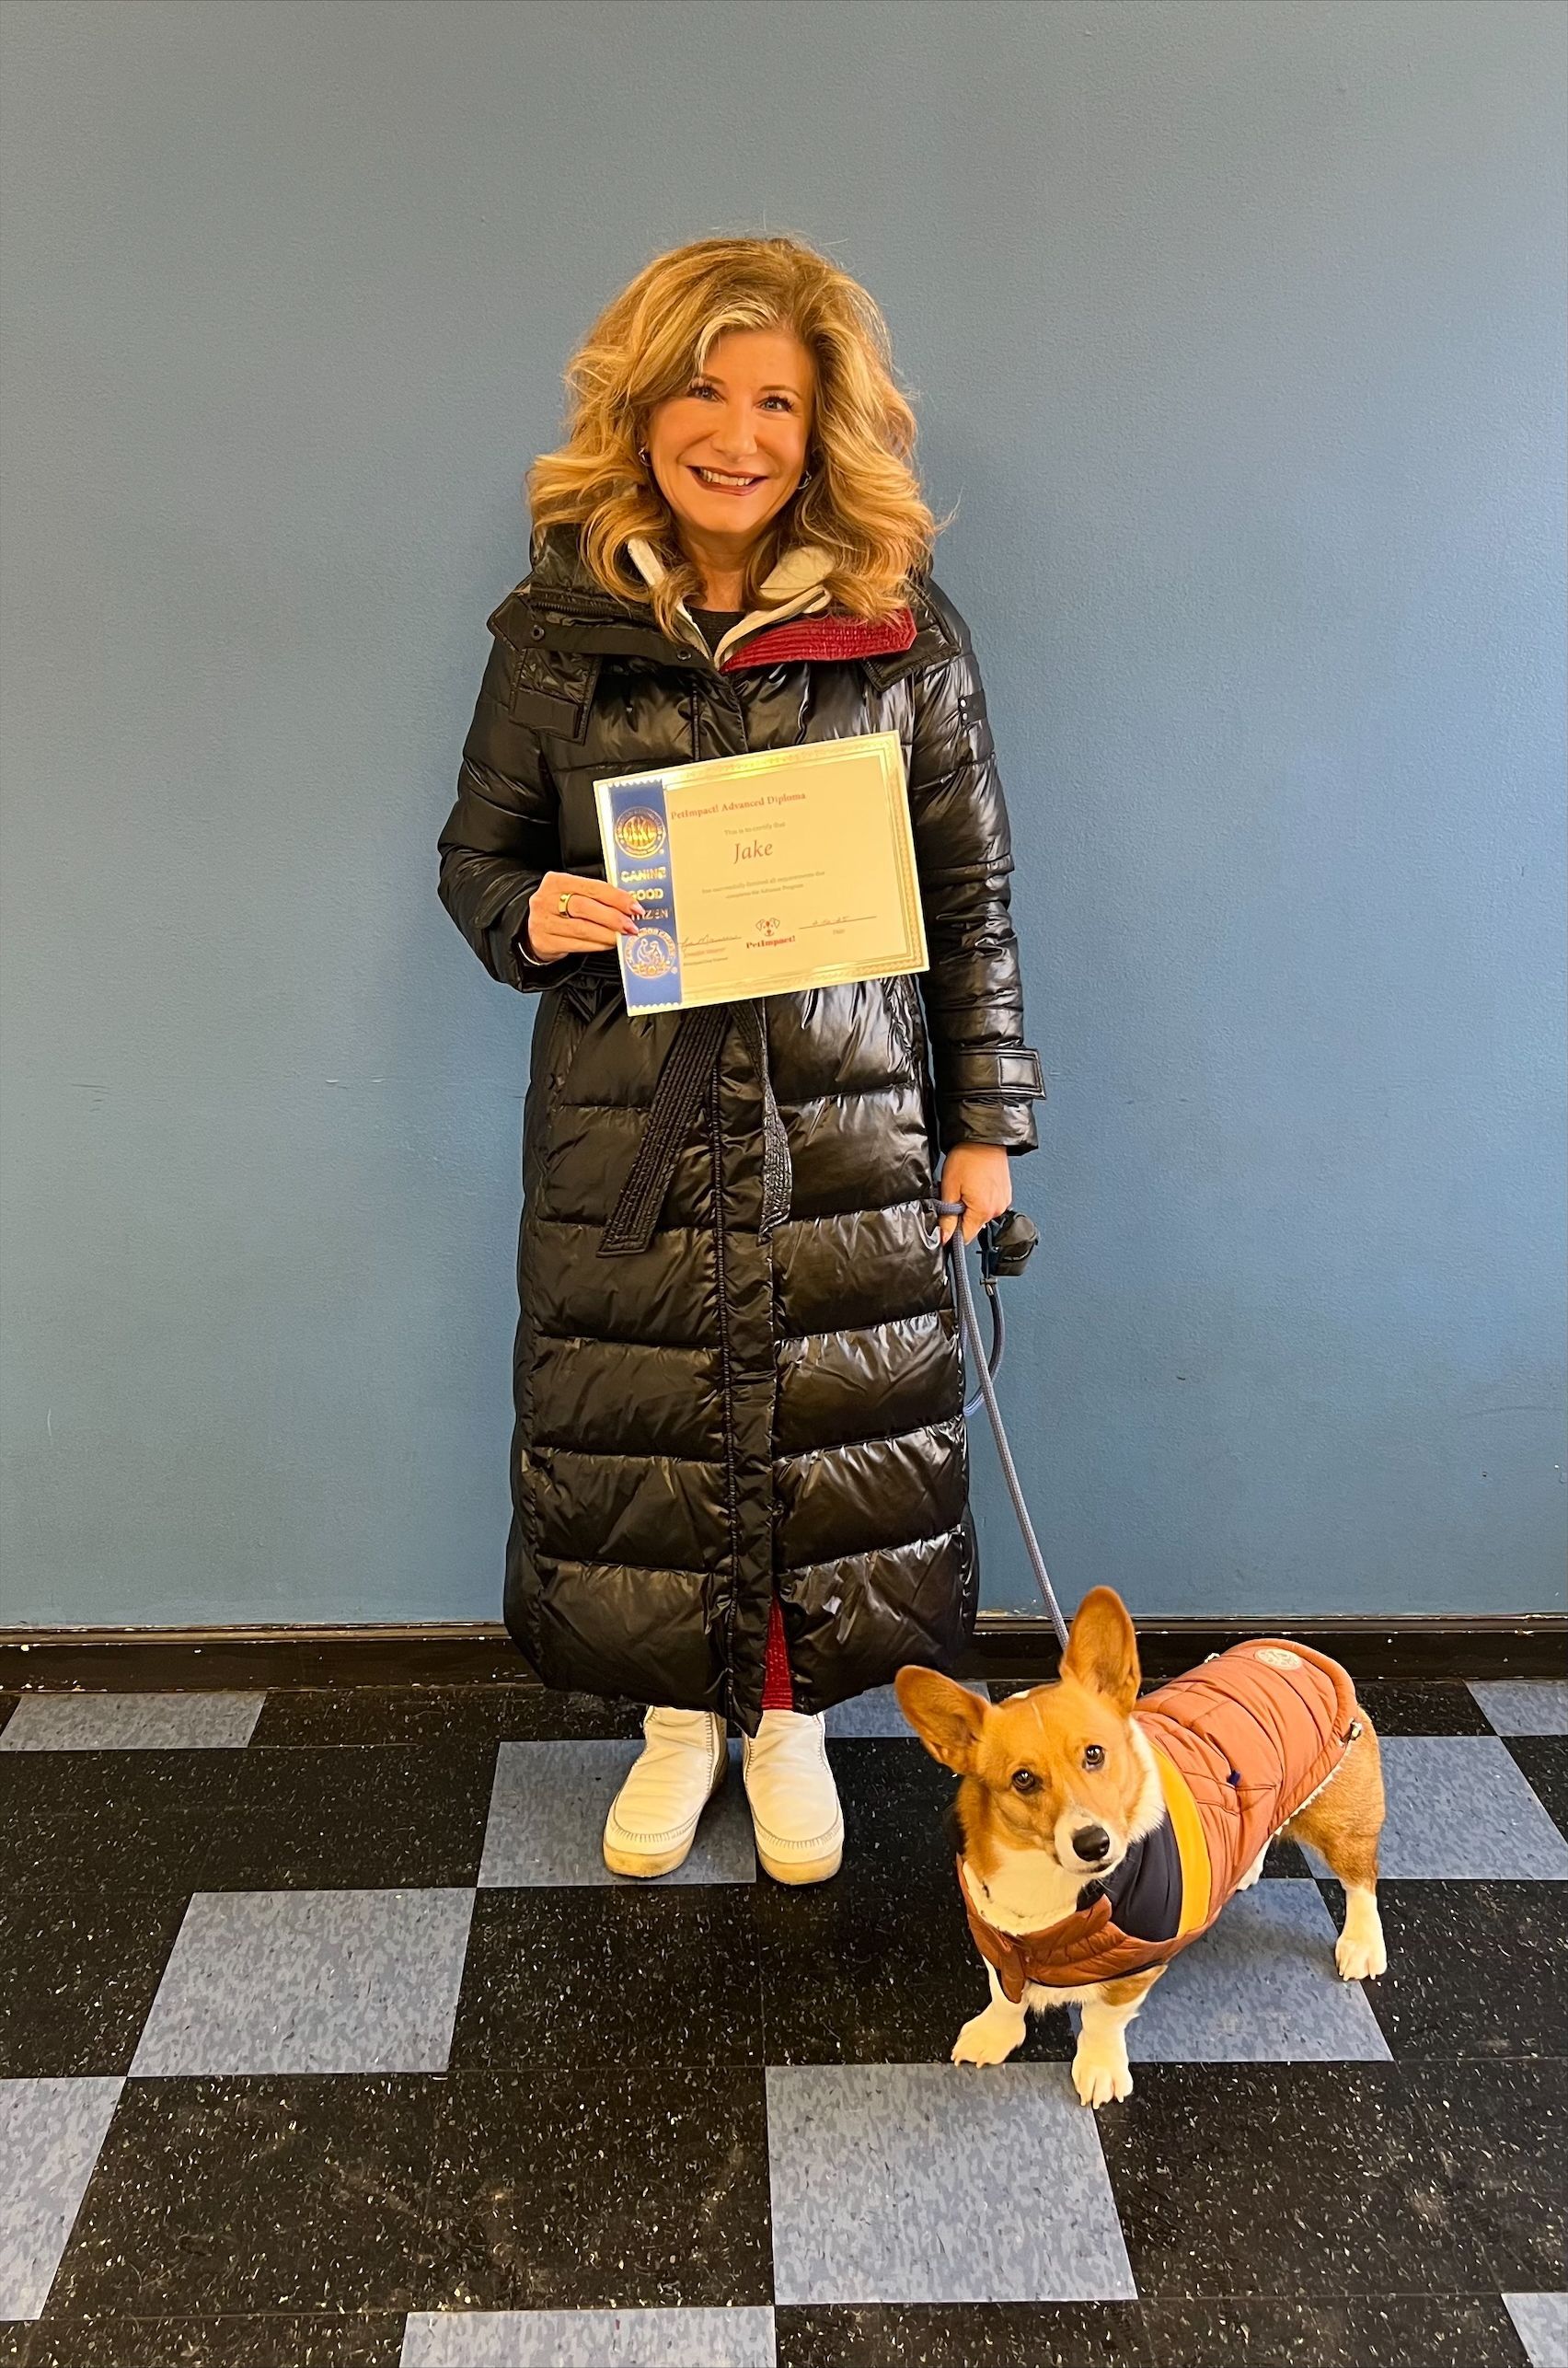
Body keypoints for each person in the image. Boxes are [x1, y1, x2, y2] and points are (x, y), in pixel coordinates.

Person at [437, 233, 1044, 1886]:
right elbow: (474, 863)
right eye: (702, 386)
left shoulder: (900, 629)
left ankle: (788, 1727)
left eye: (775, 396)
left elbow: (970, 891)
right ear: (641, 407)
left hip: (849, 1122)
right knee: (644, 1431)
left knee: (831, 1428)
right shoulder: (555, 634)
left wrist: (988, 1125)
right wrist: (537, 915)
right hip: (624, 1122)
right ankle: (678, 1723)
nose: (737, 429)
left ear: (822, 423)